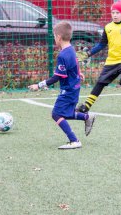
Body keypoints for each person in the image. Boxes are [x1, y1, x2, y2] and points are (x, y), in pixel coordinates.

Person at [28, 21, 96, 149]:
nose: (54, 38)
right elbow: (74, 65)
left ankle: (74, 140)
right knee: (66, 112)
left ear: (58, 37)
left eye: (54, 36)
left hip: (68, 90)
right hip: (74, 88)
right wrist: (78, 73)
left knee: (56, 114)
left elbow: (57, 77)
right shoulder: (71, 50)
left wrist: (39, 85)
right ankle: (87, 117)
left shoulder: (63, 55)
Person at [77, 0, 121, 114]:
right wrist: (88, 53)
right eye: (113, 12)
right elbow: (101, 44)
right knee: (100, 82)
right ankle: (86, 107)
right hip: (111, 61)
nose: (114, 15)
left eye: (117, 13)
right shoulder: (108, 27)